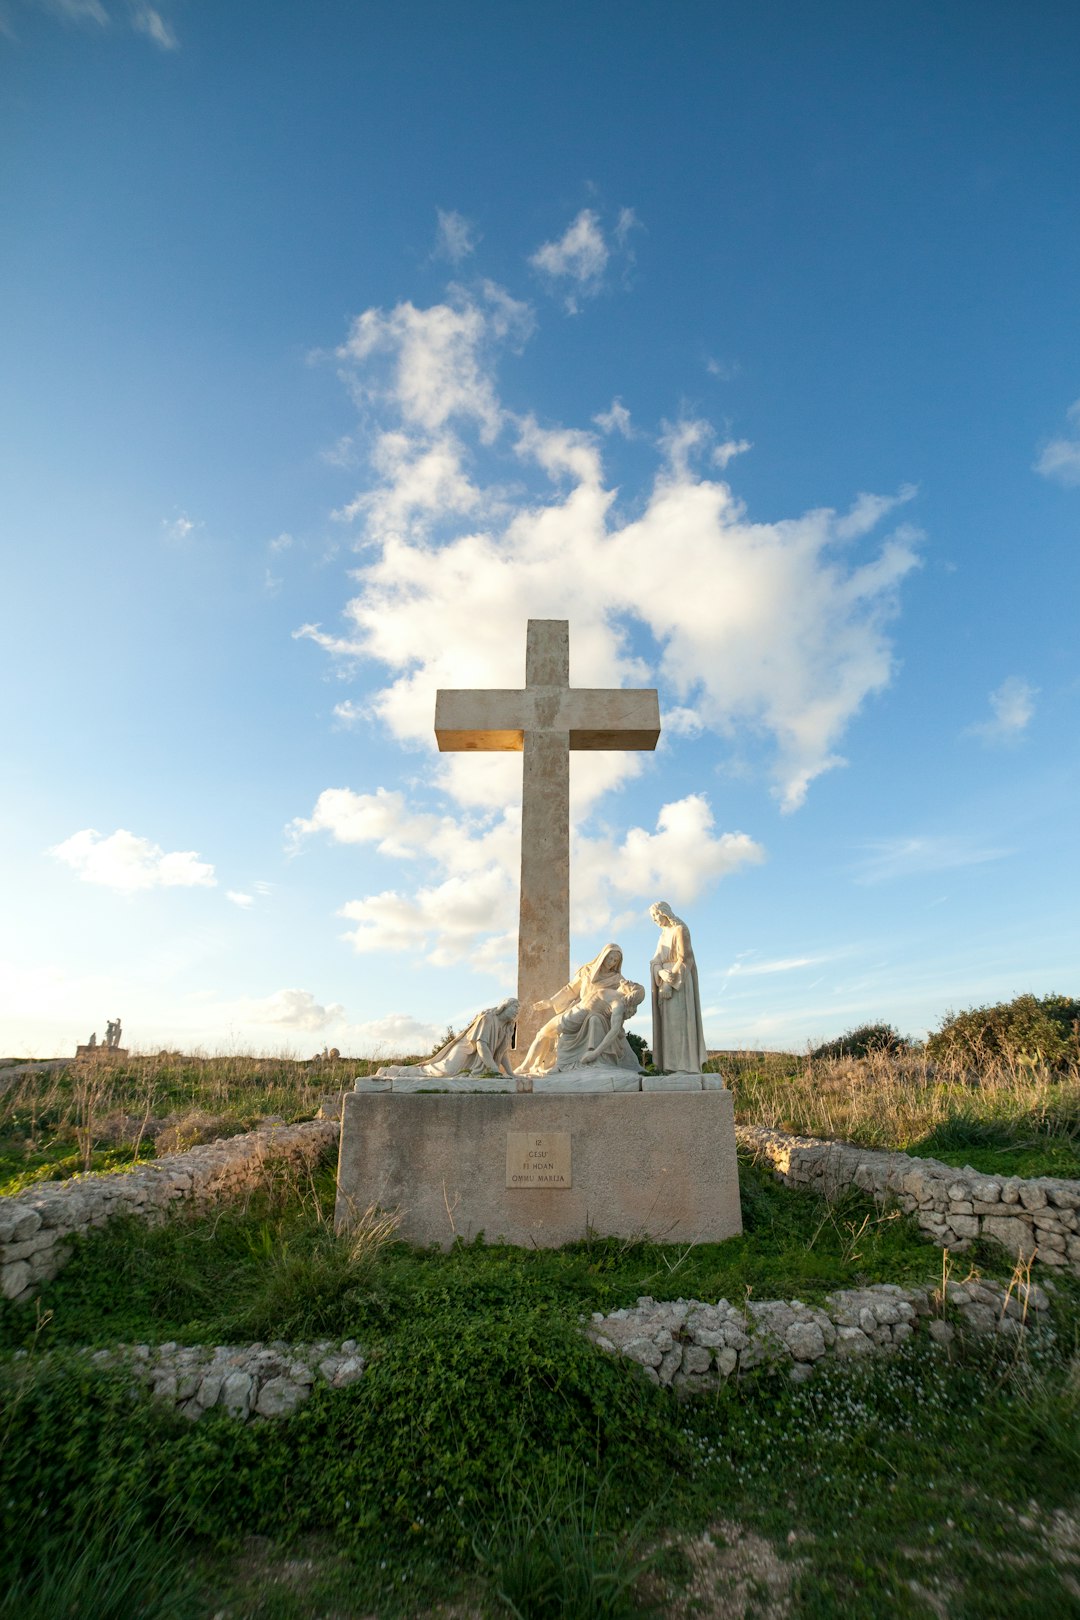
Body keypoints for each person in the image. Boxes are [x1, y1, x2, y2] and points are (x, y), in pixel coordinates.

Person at [514, 945, 645, 1076]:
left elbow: (622, 1002)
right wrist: (551, 1002)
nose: (611, 962)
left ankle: (556, 1065)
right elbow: (570, 990)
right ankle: (527, 1065)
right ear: (603, 956)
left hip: (594, 1016)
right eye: (610, 958)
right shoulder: (586, 971)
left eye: (615, 960)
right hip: (578, 1009)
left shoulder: (617, 979)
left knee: (552, 1031)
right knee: (543, 1033)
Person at [376, 998, 519, 1079]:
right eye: (515, 1008)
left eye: (519, 1009)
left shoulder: (508, 1027)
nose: (517, 1011)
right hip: (466, 1051)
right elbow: (482, 1045)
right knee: (444, 1071)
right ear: (504, 1007)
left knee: (446, 1073)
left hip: (481, 1060)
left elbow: (502, 1052)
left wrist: (510, 1073)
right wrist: (494, 1071)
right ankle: (396, 1072)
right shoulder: (488, 1018)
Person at [649, 901, 707, 1072]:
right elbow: (655, 960)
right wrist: (660, 973)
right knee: (668, 1027)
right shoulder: (662, 936)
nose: (654, 920)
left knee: (679, 1024)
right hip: (664, 982)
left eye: (655, 915)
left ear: (664, 912)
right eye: (652, 918)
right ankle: (670, 1067)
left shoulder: (680, 930)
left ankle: (684, 1067)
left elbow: (684, 958)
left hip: (678, 984)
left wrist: (669, 984)